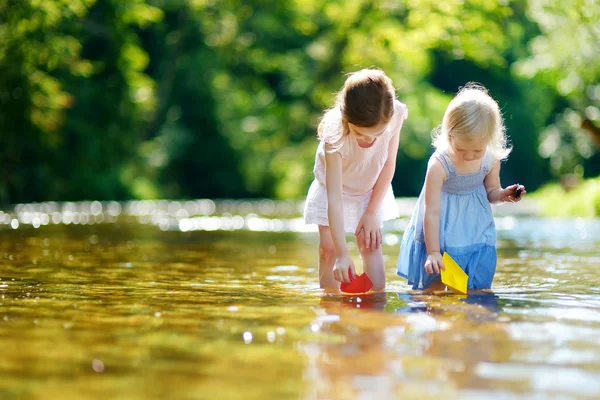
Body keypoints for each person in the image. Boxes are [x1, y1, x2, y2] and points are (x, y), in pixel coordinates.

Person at [397, 83, 525, 292]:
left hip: (474, 228)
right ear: (449, 134)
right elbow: (431, 212)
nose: (468, 156)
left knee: (475, 288)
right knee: (435, 287)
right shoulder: (440, 164)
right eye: (460, 148)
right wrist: (433, 252)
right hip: (441, 230)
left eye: (476, 150)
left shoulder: (490, 159)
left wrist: (503, 195)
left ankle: (470, 317)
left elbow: (491, 192)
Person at [304, 68, 408, 291]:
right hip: (334, 192)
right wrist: (343, 253)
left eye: (377, 134)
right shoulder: (335, 133)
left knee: (370, 244)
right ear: (346, 117)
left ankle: (376, 303)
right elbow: (334, 196)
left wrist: (371, 212)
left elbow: (389, 164)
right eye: (361, 134)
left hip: (371, 189)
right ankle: (331, 305)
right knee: (329, 249)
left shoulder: (396, 114)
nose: (369, 140)